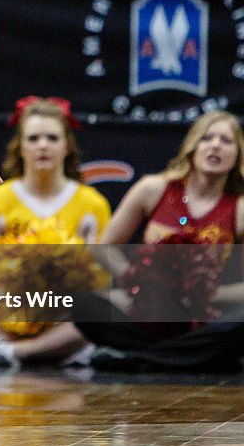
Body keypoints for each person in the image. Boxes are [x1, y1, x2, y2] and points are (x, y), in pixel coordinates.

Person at [74, 111, 244, 372]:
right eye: (207, 138)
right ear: (191, 147)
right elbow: (101, 246)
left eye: (226, 140)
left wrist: (208, 294)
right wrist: (137, 282)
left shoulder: (239, 206)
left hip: (202, 316)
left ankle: (138, 360)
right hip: (147, 312)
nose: (215, 145)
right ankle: (188, 359)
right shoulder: (154, 189)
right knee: (83, 305)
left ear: (238, 155)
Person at [0, 97, 112, 367]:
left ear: (67, 147)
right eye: (33, 138)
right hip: (7, 311)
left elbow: (101, 282)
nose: (42, 145)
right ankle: (53, 352)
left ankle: (9, 353)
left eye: (52, 138)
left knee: (106, 309)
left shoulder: (92, 204)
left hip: (65, 311)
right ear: (20, 147)